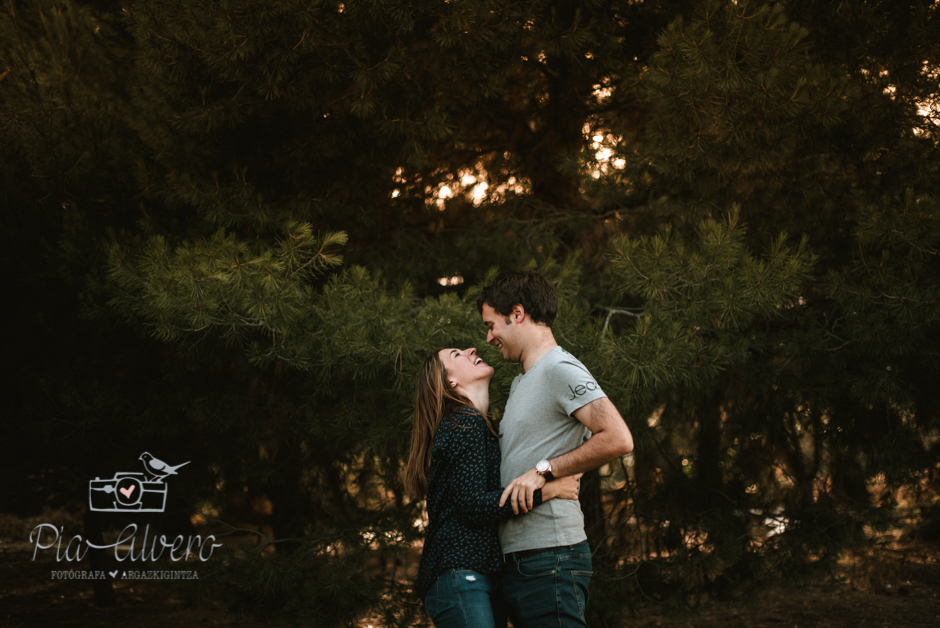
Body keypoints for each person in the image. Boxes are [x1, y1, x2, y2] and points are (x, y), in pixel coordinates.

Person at [476, 268, 634, 627]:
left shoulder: (559, 368)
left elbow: (618, 437)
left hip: (552, 557)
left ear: (517, 314)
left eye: (491, 325)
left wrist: (544, 470)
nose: (488, 338)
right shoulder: (523, 382)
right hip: (522, 559)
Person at [404, 347, 582, 628]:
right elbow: (473, 506)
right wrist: (548, 490)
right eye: (457, 354)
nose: (471, 349)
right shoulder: (464, 422)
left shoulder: (474, 424)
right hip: (459, 573)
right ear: (450, 381)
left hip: (474, 575)